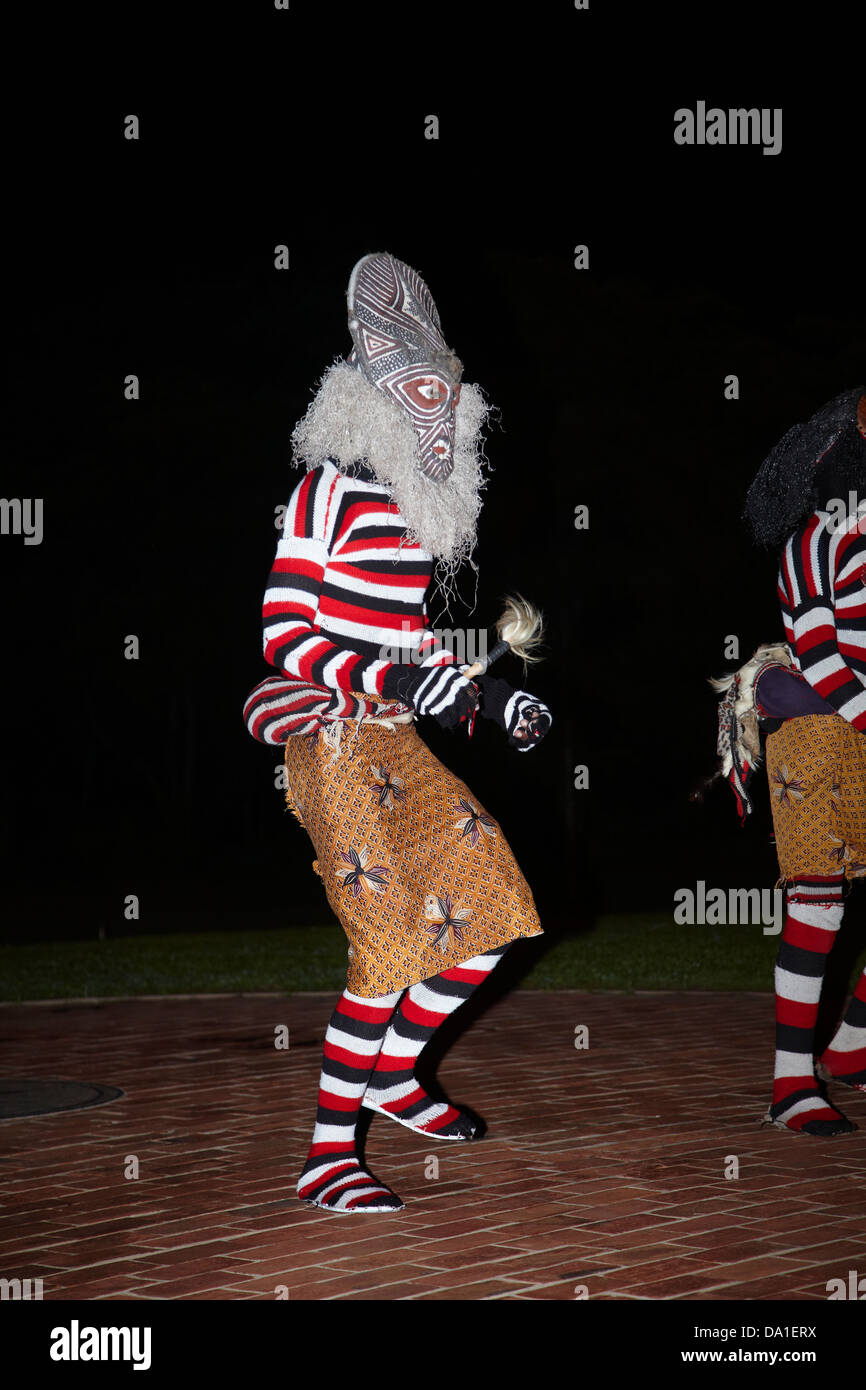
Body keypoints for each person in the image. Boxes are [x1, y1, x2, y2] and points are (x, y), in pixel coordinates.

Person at [242, 252, 552, 1210]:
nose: (447, 417)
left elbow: (412, 652)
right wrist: (406, 679)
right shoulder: (323, 491)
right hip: (331, 747)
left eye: (450, 398)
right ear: (370, 400)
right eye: (426, 394)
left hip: (393, 740)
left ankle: (394, 1074)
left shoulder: (413, 525)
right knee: (384, 940)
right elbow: (287, 636)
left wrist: (489, 700)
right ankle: (328, 1152)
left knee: (492, 912)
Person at [741, 386, 866, 1135]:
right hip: (818, 732)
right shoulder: (811, 541)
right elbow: (818, 653)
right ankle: (792, 1082)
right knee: (818, 901)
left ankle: (850, 1048)